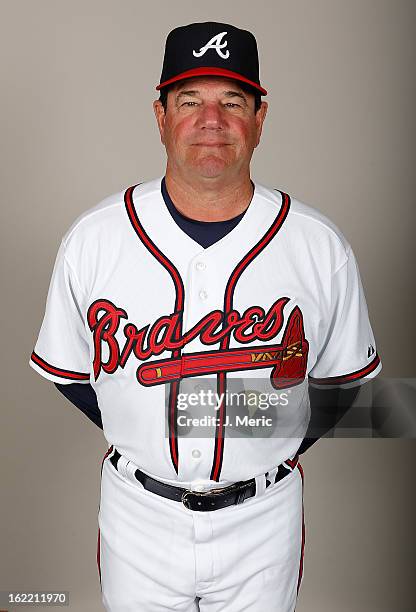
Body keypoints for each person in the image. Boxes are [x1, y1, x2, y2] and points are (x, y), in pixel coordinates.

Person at [29, 21, 382, 612]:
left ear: (260, 119)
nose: (211, 121)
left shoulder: (317, 245)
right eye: (189, 101)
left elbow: (343, 384)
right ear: (161, 116)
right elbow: (69, 373)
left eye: (232, 102)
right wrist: (145, 426)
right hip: (137, 514)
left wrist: (261, 435)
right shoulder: (95, 239)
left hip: (264, 519)